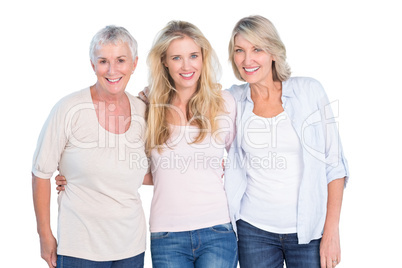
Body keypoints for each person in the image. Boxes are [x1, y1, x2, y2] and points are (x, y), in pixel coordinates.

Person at [224, 15, 349, 268]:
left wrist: (331, 231)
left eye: (257, 49)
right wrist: (149, 97)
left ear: (273, 52)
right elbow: (191, 105)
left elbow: (334, 166)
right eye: (240, 50)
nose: (247, 60)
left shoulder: (309, 91)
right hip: (253, 230)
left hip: (309, 231)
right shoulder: (232, 100)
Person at [32, 25, 150, 268]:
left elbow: (145, 172)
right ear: (93, 64)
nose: (112, 70)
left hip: (131, 246)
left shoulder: (142, 111)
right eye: (103, 61)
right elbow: (41, 173)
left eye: (120, 60)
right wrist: (45, 236)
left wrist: (206, 168)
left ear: (134, 63)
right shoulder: (69, 109)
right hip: (80, 248)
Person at [144, 20, 238, 268]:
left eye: (193, 55)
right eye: (176, 58)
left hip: (217, 230)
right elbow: (133, 168)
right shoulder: (148, 107)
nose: (187, 66)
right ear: (164, 60)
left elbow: (243, 158)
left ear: (203, 57)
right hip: (166, 235)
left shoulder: (224, 103)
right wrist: (80, 178)